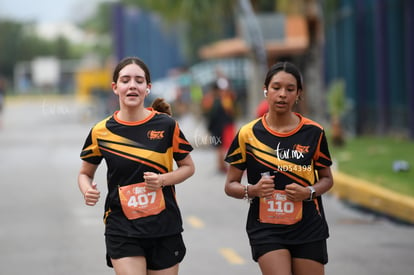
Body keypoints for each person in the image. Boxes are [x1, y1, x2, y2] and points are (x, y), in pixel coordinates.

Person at [78, 56, 195, 275]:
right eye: (125, 80)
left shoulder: (167, 125)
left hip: (164, 227)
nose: (132, 85)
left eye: (139, 80)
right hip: (122, 228)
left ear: (147, 88)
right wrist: (87, 190)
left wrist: (162, 180)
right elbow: (85, 173)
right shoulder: (100, 131)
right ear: (115, 87)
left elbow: (188, 167)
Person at [224, 61, 334, 275]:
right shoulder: (248, 134)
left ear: (298, 94)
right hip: (267, 228)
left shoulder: (314, 132)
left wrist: (308, 192)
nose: (282, 94)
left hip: (308, 226)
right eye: (276, 88)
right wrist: (252, 190)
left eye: (290, 89)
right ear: (266, 90)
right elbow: (230, 185)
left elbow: (327, 179)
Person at [201, 77, 236, 173]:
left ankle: (221, 166)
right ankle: (221, 166)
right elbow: (230, 112)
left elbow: (206, 113)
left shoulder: (211, 99)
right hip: (221, 127)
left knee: (218, 147)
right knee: (220, 147)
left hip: (215, 127)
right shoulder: (223, 100)